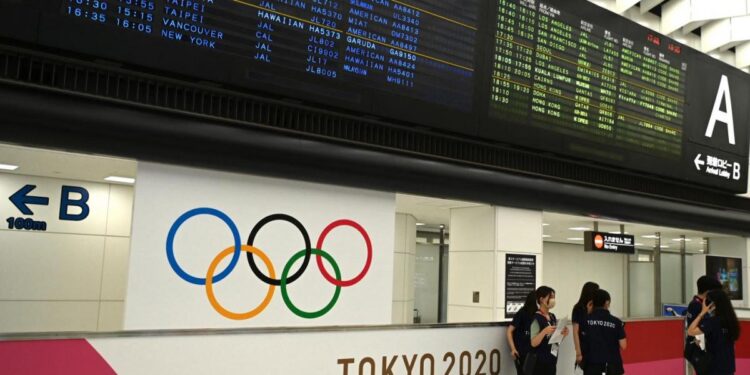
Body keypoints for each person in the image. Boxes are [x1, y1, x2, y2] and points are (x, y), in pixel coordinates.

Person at [687, 289, 741, 375]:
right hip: (729, 367)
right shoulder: (731, 321)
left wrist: (702, 313)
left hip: (714, 367)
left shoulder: (713, 322)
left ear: (713, 304)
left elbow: (690, 331)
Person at [581, 289, 626, 375]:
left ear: (592, 303)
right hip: (613, 365)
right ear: (607, 302)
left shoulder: (585, 320)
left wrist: (588, 311)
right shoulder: (616, 322)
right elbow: (623, 345)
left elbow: (582, 341)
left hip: (591, 365)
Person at [529, 286, 569, 375]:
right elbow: (533, 342)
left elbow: (554, 341)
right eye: (550, 297)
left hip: (552, 359)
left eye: (554, 298)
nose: (553, 300)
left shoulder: (552, 316)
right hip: (540, 362)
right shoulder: (536, 318)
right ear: (542, 299)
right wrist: (544, 332)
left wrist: (562, 335)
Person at [507, 291, 537, 375]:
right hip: (523, 352)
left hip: (535, 353)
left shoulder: (539, 314)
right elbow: (509, 331)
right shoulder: (522, 313)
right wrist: (513, 349)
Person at [572, 282, 599, 368]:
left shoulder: (597, 308)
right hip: (584, 347)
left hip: (597, 347)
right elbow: (575, 332)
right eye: (596, 292)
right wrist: (578, 352)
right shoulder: (578, 308)